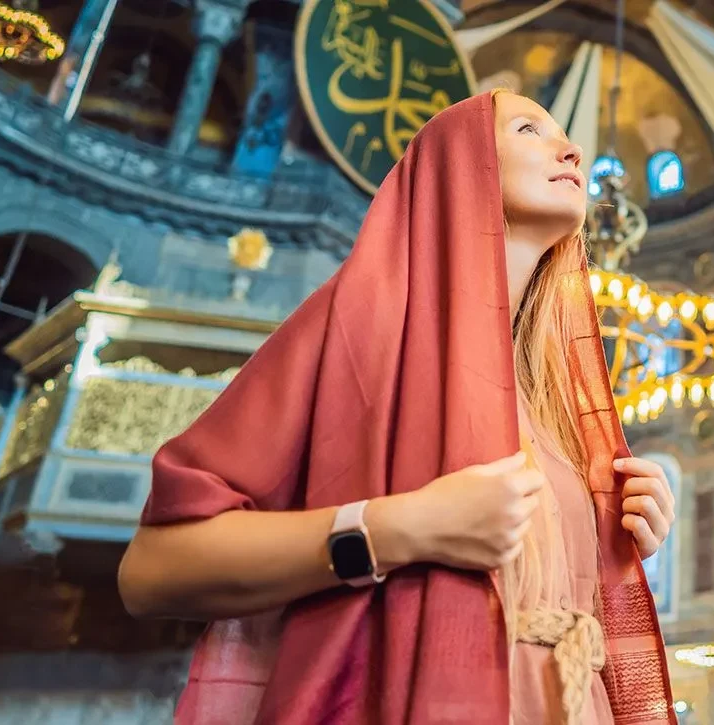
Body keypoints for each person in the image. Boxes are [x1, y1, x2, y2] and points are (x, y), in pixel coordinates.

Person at [117, 91, 678, 725]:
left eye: (566, 136)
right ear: (458, 165)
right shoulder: (358, 326)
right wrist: (405, 528)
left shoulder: (554, 401)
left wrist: (617, 535)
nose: (572, 150)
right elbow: (153, 570)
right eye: (529, 128)